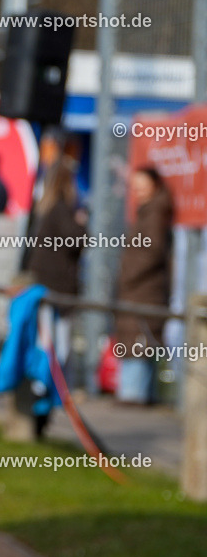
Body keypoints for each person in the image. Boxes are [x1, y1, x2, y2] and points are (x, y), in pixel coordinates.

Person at [21, 158, 86, 435]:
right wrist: (83, 224)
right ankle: (41, 397)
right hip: (56, 290)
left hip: (48, 287)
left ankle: (42, 399)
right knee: (56, 348)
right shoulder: (61, 210)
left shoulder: (46, 209)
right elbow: (76, 239)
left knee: (49, 345)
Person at [114, 166, 173, 405]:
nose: (137, 190)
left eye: (142, 184)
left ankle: (133, 399)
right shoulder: (148, 211)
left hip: (144, 291)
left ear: (155, 185)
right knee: (138, 346)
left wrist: (127, 274)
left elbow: (152, 251)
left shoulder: (156, 212)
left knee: (138, 346)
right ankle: (136, 397)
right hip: (139, 291)